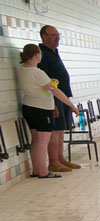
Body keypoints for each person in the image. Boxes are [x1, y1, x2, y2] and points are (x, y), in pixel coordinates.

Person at [18, 44, 79, 179]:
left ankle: (36, 170)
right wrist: (71, 105)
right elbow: (54, 91)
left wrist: (50, 82)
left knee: (35, 140)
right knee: (43, 141)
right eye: (40, 53)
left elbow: (38, 85)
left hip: (28, 107)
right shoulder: (38, 72)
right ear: (36, 55)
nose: (41, 56)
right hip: (41, 109)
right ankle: (43, 172)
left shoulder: (23, 70)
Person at [37, 26, 78, 173]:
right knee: (55, 130)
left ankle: (61, 159)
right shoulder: (41, 53)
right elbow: (45, 81)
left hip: (62, 95)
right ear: (44, 36)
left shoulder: (53, 52)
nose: (57, 38)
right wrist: (52, 102)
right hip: (53, 97)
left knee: (61, 129)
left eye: (58, 35)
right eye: (53, 35)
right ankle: (53, 161)